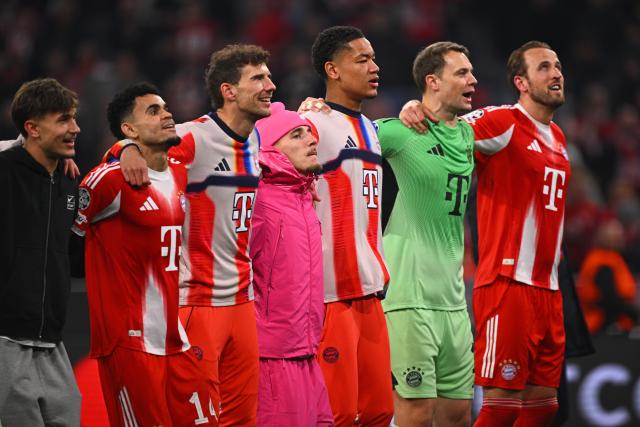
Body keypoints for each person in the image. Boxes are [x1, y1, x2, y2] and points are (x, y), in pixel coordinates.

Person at [401, 41, 570, 427]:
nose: (556, 73)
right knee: (501, 405)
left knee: (545, 405)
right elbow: (445, 127)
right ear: (521, 82)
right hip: (507, 283)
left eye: (558, 65)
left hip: (549, 287)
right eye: (544, 67)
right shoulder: (503, 122)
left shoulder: (557, 136)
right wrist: (415, 108)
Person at [109, 44, 276, 426]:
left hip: (243, 303)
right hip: (196, 301)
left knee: (243, 419)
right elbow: (139, 146)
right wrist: (125, 149)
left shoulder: (255, 138)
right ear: (228, 91)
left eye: (268, 76)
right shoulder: (193, 138)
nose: (271, 85)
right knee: (197, 420)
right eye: (259, 78)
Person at [73, 82, 218, 426]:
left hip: (174, 337)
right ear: (129, 129)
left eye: (166, 107)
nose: (167, 114)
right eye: (153, 111)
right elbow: (69, 237)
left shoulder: (178, 173)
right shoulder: (109, 180)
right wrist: (121, 150)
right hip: (130, 341)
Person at [376, 42, 476, 426]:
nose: (473, 79)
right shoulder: (398, 132)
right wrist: (315, 109)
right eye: (462, 73)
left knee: (457, 414)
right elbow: (342, 138)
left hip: (453, 302)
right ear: (432, 81)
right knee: (415, 413)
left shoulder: (469, 135)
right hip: (409, 299)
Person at [304, 26, 394, 426]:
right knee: (337, 413)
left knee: (379, 411)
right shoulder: (312, 124)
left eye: (373, 58)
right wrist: (127, 146)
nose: (374, 67)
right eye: (362, 60)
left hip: (371, 292)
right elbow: (255, 147)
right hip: (330, 296)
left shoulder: (371, 131)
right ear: (332, 70)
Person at [0, 78, 82, 426]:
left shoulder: (67, 181)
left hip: (52, 342)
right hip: (4, 341)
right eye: (63, 119)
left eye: (74, 119)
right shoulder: (5, 170)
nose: (75, 129)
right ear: (31, 128)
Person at [251, 102, 333, 426]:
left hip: (307, 352)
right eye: (296, 135)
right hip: (273, 357)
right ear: (271, 151)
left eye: (308, 133)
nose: (311, 139)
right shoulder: (257, 199)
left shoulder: (304, 196)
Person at [577, 219, 638, 334]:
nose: (620, 240)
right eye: (615, 237)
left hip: (610, 319)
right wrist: (631, 312)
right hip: (602, 322)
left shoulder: (611, 258)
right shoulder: (602, 261)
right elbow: (608, 297)